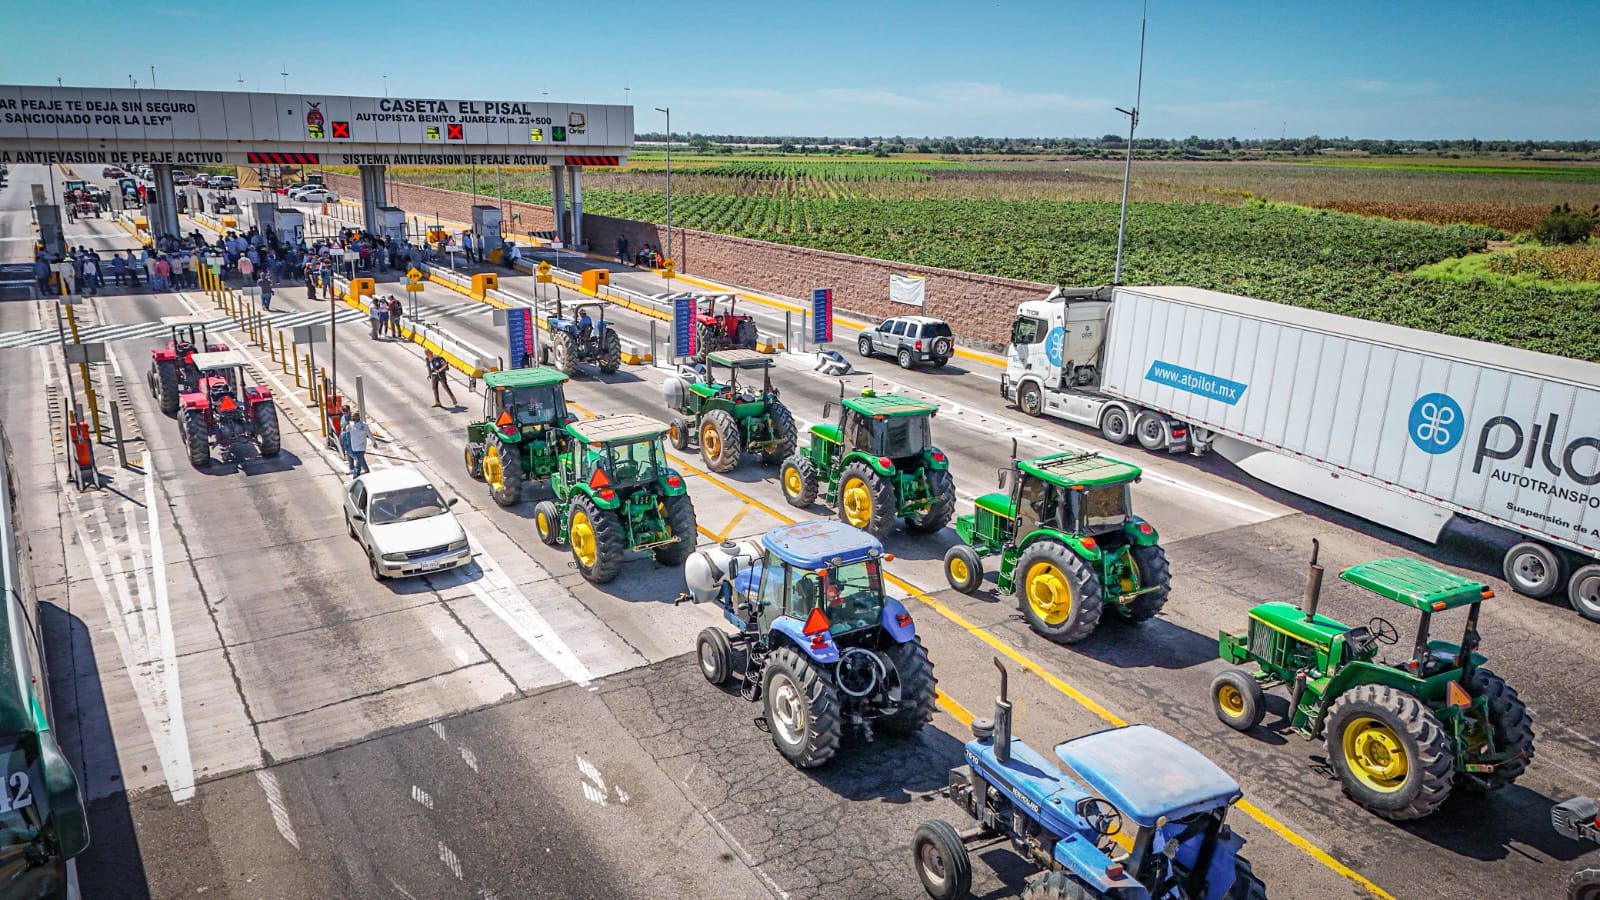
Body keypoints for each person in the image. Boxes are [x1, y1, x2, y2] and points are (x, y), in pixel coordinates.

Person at [346, 411, 371, 478]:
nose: (352, 418)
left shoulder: (363, 425)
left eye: (353, 416)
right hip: (354, 447)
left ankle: (355, 476)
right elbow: (346, 432)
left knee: (358, 464)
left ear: (358, 417)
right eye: (352, 417)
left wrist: (374, 442)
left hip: (361, 447)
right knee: (360, 459)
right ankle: (366, 469)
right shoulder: (350, 425)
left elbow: (369, 434)